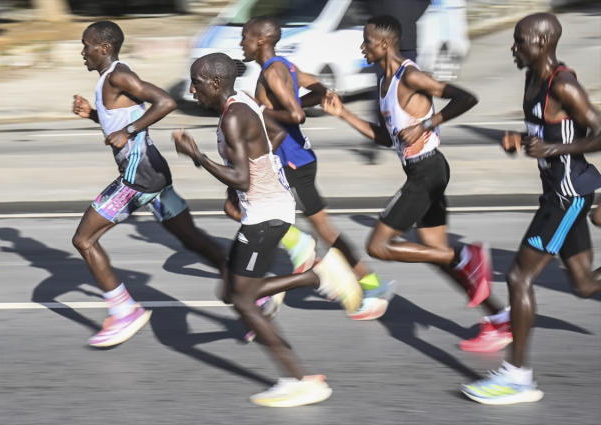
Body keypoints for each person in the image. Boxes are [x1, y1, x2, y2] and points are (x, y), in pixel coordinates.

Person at [173, 52, 363, 407]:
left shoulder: (233, 117)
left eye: (196, 82)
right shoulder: (242, 103)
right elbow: (273, 132)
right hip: (267, 210)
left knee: (244, 300)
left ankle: (300, 378)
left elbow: (243, 178)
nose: (192, 89)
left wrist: (197, 157)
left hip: (265, 216)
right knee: (231, 292)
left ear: (215, 83)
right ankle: (316, 276)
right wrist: (262, 171)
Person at [322, 15, 507, 324]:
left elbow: (466, 98)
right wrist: (343, 113)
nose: (362, 47)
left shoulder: (411, 77)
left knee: (378, 247)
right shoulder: (384, 84)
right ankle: (500, 317)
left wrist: (427, 123)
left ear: (384, 43)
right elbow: (386, 138)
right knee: (434, 253)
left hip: (428, 170)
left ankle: (465, 257)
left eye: (366, 41)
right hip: (422, 172)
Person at [462, 13, 601, 405]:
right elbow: (547, 132)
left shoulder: (565, 85)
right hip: (556, 193)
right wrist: (521, 141)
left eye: (519, 41)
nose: (513, 47)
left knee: (520, 278)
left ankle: (516, 378)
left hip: (568, 196)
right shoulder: (532, 77)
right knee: (584, 284)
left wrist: (555, 150)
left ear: (541, 43)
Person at [71, 21, 227, 347]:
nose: (82, 51)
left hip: (138, 178)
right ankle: (251, 291)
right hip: (154, 175)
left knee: (84, 240)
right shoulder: (109, 80)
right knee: (192, 238)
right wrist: (92, 115)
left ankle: (124, 311)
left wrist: (129, 132)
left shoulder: (117, 75)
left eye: (85, 45)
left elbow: (166, 101)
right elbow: (120, 120)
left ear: (103, 47)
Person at [240, 15, 395, 321]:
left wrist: (260, 110)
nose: (240, 43)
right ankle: (365, 280)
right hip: (293, 159)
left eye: (244, 37)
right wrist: (281, 105)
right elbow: (321, 90)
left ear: (260, 40)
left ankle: (369, 283)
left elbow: (296, 114)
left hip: (293, 160)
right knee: (251, 209)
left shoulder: (273, 72)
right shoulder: (286, 67)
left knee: (311, 226)